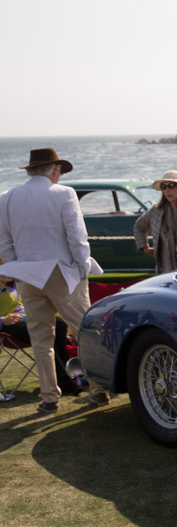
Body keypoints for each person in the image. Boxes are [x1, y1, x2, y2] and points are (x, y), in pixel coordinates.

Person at [0, 147, 108, 413]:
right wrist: (83, 267)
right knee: (84, 331)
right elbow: (77, 236)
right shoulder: (64, 194)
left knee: (41, 339)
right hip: (61, 271)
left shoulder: (8, 197)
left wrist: (19, 266)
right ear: (54, 169)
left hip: (28, 274)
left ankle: (49, 397)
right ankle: (98, 389)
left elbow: (3, 243)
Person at [0, 278, 81, 397]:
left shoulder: (16, 283)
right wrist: (3, 320)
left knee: (59, 324)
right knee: (45, 333)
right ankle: (64, 381)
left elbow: (20, 306)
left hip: (24, 318)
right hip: (7, 327)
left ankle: (67, 376)